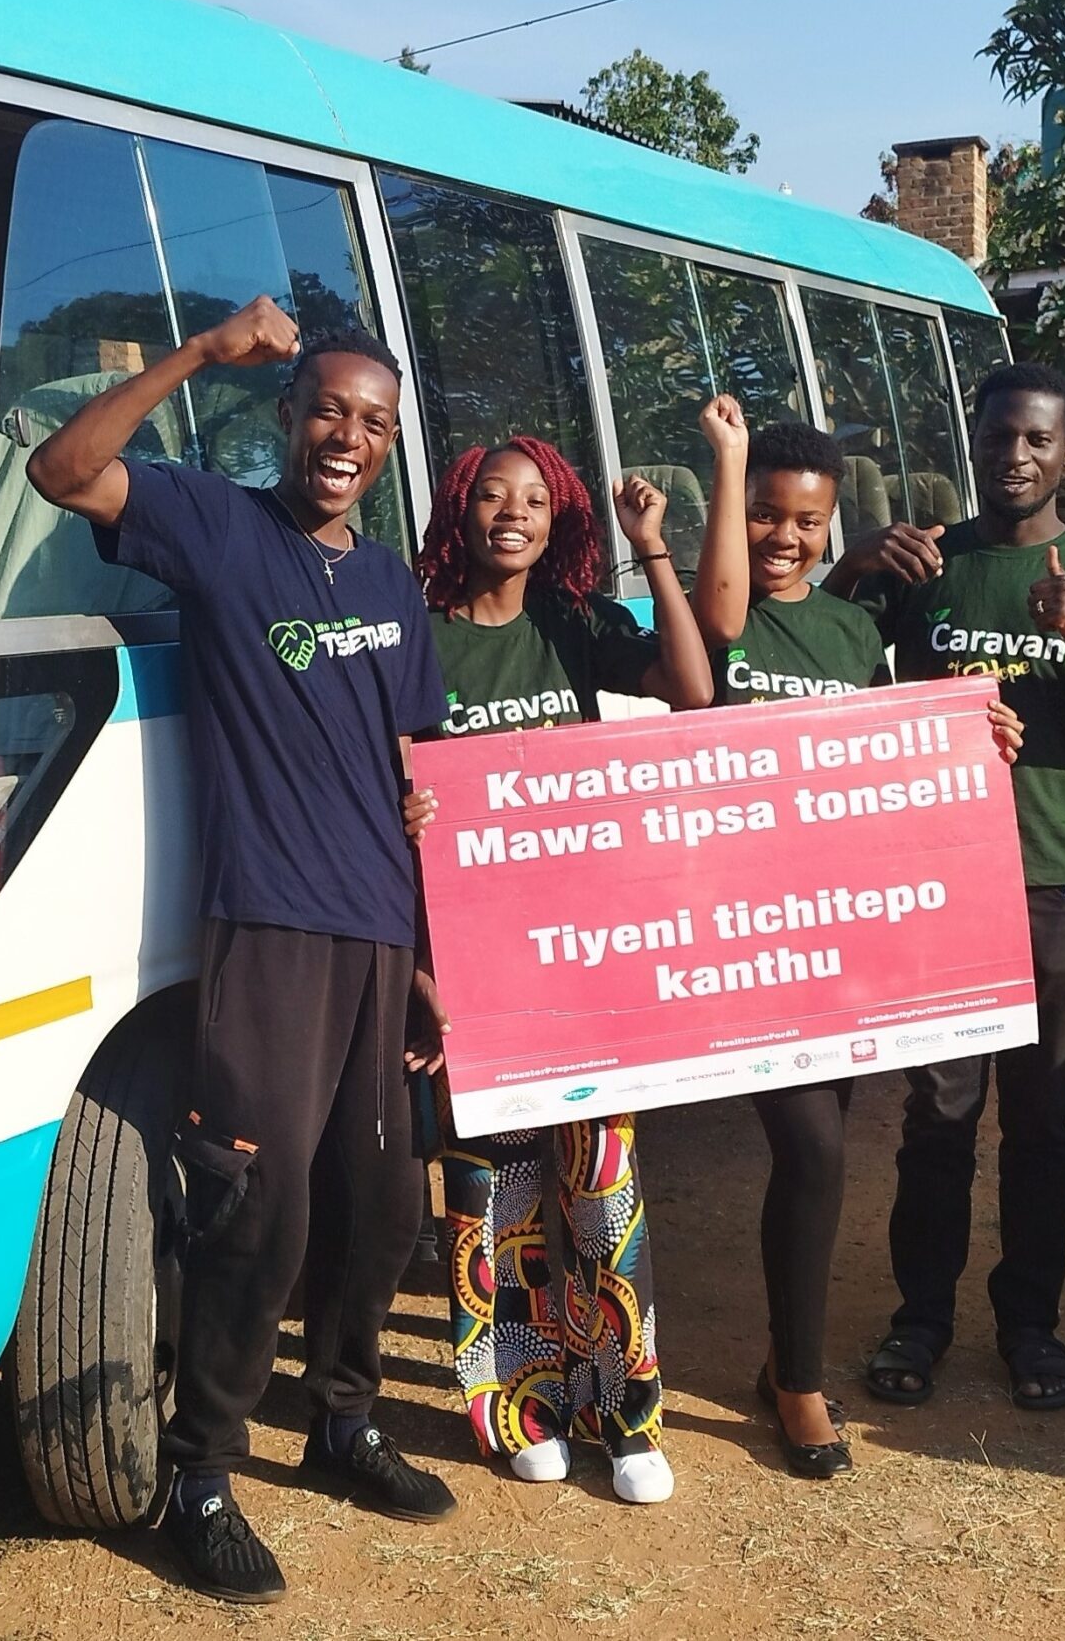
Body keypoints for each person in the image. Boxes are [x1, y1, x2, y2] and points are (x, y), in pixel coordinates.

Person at [26, 298, 454, 1607]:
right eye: (330, 409)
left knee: (379, 1210)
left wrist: (433, 951)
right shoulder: (220, 529)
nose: (349, 436)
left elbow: (414, 775)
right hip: (267, 920)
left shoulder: (391, 585)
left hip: (381, 932)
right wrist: (205, 352)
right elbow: (63, 469)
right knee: (256, 1212)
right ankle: (202, 1472)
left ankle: (342, 1419)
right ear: (288, 415)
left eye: (374, 422)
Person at [828, 360, 1065, 1414]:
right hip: (938, 881)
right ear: (971, 446)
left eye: (1035, 440)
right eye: (997, 438)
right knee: (936, 1115)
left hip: (1056, 875)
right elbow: (808, 677)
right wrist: (850, 570)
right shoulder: (927, 562)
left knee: (1040, 1120)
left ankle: (1030, 1325)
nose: (1013, 457)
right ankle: (919, 1318)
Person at [696, 402, 1022, 1473]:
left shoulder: (850, 633)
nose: (783, 536)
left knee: (814, 1153)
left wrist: (974, 738)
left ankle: (784, 1364)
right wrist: (728, 459)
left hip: (821, 938)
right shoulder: (712, 618)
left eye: (805, 521)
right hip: (727, 933)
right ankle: (796, 1381)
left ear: (831, 524)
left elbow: (875, 773)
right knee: (815, 1148)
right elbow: (718, 633)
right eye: (762, 517)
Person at [416, 432, 712, 1506]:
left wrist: (655, 552)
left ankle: (625, 1416)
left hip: (584, 957)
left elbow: (690, 686)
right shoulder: (421, 635)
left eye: (534, 499)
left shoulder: (575, 623)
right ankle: (520, 1407)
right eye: (490, 494)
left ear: (559, 520)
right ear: (458, 509)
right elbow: (390, 799)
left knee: (600, 1191)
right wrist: (422, 978)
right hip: (471, 963)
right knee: (495, 1202)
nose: (511, 511)